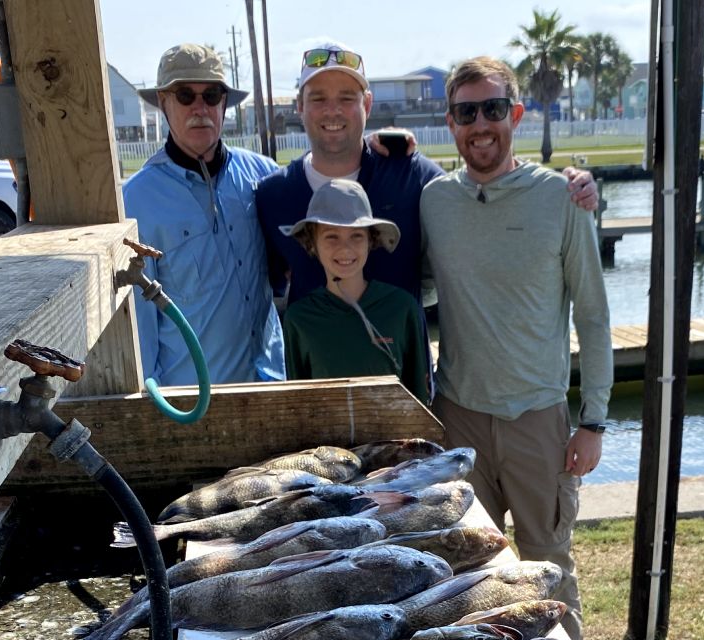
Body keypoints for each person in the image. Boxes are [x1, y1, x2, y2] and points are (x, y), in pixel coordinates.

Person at [419, 56, 614, 640]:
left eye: (494, 109)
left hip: (539, 422)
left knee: (550, 569)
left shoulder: (562, 198)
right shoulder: (432, 201)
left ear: (517, 115)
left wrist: (594, 421)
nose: (481, 124)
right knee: (467, 574)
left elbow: (594, 314)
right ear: (450, 122)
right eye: (467, 111)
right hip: (459, 418)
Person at [255, 41, 600, 307]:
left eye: (347, 97)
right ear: (298, 105)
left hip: (409, 388)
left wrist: (565, 186)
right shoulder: (272, 196)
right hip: (316, 392)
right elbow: (264, 290)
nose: (332, 110)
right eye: (317, 98)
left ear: (368, 104)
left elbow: (487, 182)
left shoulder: (413, 175)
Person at [125, 43, 284, 385]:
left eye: (211, 95)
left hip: (271, 384)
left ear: (224, 103)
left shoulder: (265, 175)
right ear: (163, 104)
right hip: (193, 399)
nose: (200, 107)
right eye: (185, 95)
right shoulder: (135, 200)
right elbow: (139, 323)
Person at [279, 179, 429, 402]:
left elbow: (419, 397)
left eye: (356, 235)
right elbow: (299, 402)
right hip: (326, 437)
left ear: (371, 240)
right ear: (311, 243)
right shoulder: (299, 318)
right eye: (331, 236)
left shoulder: (401, 307)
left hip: (392, 437)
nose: (345, 248)